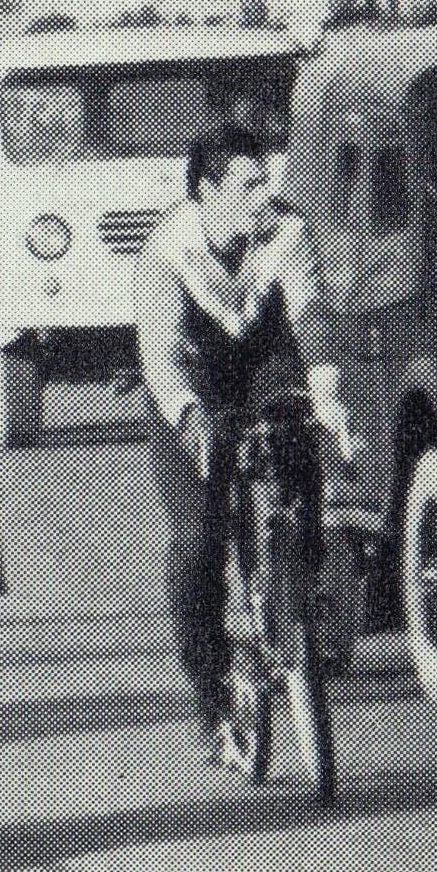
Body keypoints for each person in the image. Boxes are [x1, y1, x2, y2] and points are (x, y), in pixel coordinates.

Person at [136, 126, 357, 763]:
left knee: (298, 440)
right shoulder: (166, 252)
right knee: (197, 541)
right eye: (248, 185)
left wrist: (328, 396)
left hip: (263, 367)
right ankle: (210, 695)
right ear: (207, 192)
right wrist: (190, 417)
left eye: (268, 181)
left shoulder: (286, 233)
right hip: (193, 380)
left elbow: (308, 320)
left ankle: (303, 577)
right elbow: (159, 355)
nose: (266, 194)